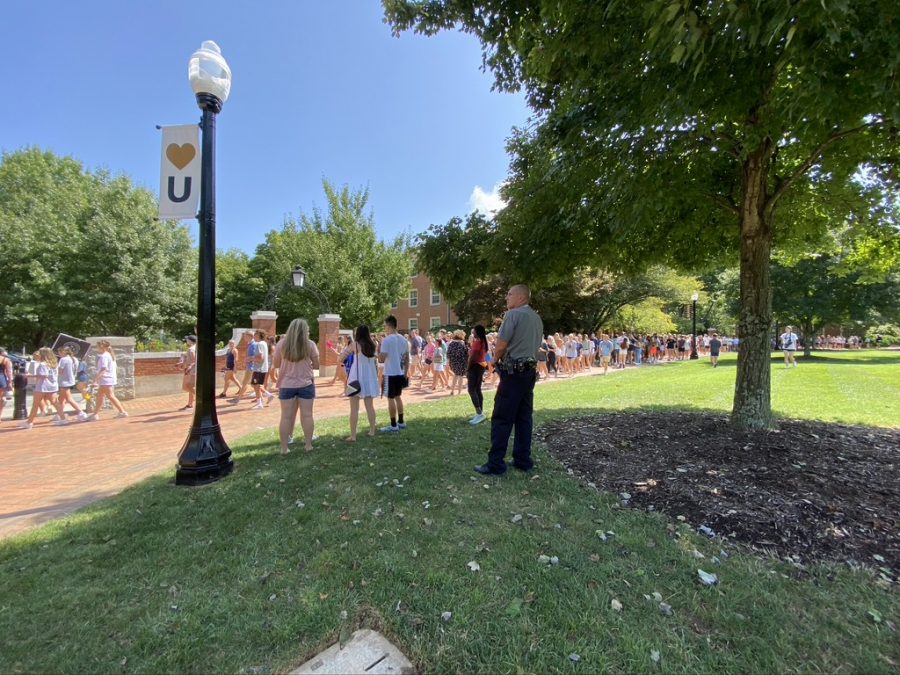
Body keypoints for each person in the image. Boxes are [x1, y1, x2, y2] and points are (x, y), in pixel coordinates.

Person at [475, 284, 543, 475]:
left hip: (514, 373)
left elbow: (501, 344)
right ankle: (523, 459)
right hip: (529, 371)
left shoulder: (512, 315)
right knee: (524, 417)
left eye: (509, 294)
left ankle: (495, 464)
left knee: (502, 417)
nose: (506, 297)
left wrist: (494, 361)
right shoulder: (536, 318)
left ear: (521, 297)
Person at [272, 318, 320, 454]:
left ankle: (284, 448)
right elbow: (317, 365)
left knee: (286, 416)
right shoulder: (310, 345)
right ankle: (308, 445)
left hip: (286, 384)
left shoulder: (281, 344)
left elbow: (276, 364)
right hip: (306, 383)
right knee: (307, 415)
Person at [341, 324, 380, 441]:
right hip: (369, 377)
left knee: (354, 408)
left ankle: (353, 435)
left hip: (355, 378)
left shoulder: (355, 345)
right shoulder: (374, 344)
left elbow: (341, 358)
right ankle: (372, 431)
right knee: (370, 406)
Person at [19, 348, 65, 429]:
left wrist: (30, 375)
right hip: (52, 385)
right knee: (55, 403)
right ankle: (63, 418)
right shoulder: (54, 364)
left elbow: (44, 375)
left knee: (35, 404)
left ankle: (29, 422)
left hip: (42, 386)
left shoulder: (43, 364)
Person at [378, 315, 409, 432]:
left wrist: (377, 354)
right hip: (400, 373)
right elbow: (407, 358)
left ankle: (393, 425)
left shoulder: (387, 340)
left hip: (390, 373)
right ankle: (401, 421)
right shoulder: (403, 339)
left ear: (388, 325)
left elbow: (381, 359)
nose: (384, 328)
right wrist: (406, 372)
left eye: (385, 325)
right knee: (398, 397)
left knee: (390, 398)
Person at [87, 340, 128, 420]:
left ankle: (122, 412)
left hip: (106, 380)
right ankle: (95, 414)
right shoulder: (109, 355)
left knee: (110, 396)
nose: (97, 348)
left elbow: (103, 369)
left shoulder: (104, 356)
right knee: (100, 396)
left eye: (98, 346)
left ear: (102, 347)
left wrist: (95, 380)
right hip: (107, 380)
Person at [57, 347, 87, 421]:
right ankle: (59, 414)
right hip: (71, 380)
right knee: (61, 398)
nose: (58, 354)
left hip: (64, 381)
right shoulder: (74, 359)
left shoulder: (63, 359)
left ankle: (81, 412)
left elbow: (60, 371)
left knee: (68, 398)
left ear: (63, 352)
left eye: (59, 352)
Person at [467, 325, 489, 424]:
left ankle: (479, 413)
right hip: (481, 366)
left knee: (471, 389)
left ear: (478, 332)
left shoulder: (478, 342)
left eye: (474, 331)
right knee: (477, 389)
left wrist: (468, 367)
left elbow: (473, 357)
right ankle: (480, 413)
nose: (473, 333)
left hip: (475, 367)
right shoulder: (484, 342)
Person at [249, 329, 274, 409]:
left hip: (259, 368)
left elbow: (260, 358)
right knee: (255, 384)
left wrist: (250, 358)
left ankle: (260, 404)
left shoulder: (259, 344)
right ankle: (268, 395)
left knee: (256, 386)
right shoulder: (264, 343)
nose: (254, 336)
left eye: (255, 334)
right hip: (261, 368)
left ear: (259, 335)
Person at [447, 329, 469, 396]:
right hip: (461, 362)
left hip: (453, 362)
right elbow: (466, 353)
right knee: (460, 376)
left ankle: (452, 390)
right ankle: (459, 392)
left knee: (455, 375)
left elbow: (448, 353)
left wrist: (449, 361)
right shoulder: (462, 343)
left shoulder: (451, 343)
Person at [179, 335, 197, 410]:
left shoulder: (191, 349)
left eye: (187, 340)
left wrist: (189, 367)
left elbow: (194, 360)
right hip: (192, 369)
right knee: (190, 387)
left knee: (187, 386)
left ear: (190, 340)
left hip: (192, 370)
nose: (186, 341)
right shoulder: (194, 348)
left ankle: (201, 398)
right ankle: (190, 404)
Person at [0, 348, 13, 423]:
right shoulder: (5, 360)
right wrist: (10, 382)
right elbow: (9, 372)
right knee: (1, 398)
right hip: (1, 378)